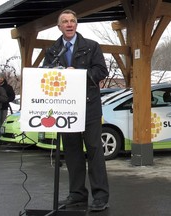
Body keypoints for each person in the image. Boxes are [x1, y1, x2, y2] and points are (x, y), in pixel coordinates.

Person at [42, 9, 109, 212]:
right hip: (66, 110)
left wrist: (78, 74)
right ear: (59, 26)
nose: (69, 24)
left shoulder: (91, 46)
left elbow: (101, 71)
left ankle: (100, 196)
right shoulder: (53, 51)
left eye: (72, 21)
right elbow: (45, 73)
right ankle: (77, 194)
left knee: (94, 150)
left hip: (89, 107)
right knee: (72, 153)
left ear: (76, 24)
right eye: (65, 21)